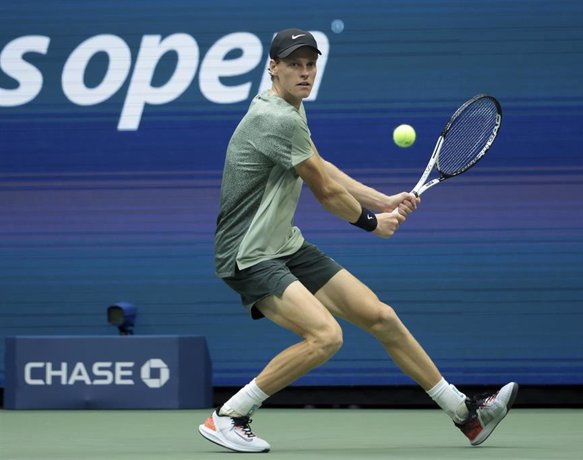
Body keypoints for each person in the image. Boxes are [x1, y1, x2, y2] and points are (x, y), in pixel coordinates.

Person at [198, 28, 518, 453]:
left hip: (283, 245)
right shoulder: (275, 118)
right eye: (294, 64)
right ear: (272, 68)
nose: (305, 72)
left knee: (380, 316)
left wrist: (382, 198)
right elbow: (326, 192)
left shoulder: (291, 111)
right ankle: (229, 416)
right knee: (325, 336)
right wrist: (373, 222)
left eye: (310, 64)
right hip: (248, 254)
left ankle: (465, 414)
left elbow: (322, 167)